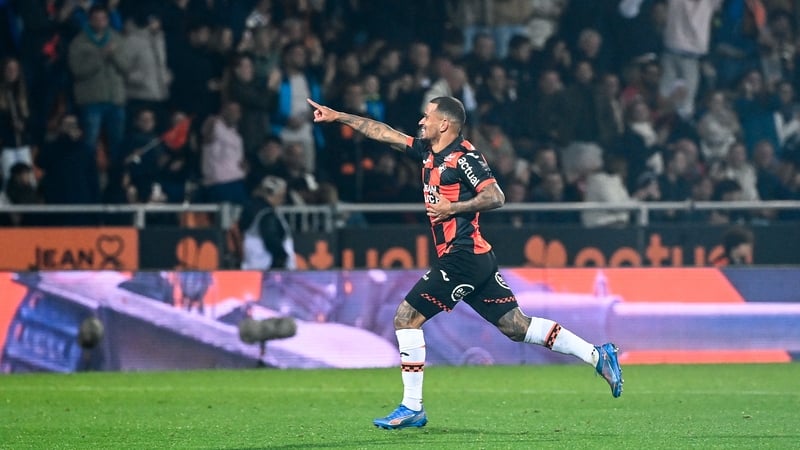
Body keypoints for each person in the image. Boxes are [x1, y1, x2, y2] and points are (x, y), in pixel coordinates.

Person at [307, 96, 623, 430]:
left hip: (463, 256)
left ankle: (411, 407)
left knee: (405, 318)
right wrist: (339, 116)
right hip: (476, 259)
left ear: (444, 123)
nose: (420, 121)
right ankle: (596, 354)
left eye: (426, 116)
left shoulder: (465, 158)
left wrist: (452, 209)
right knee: (517, 327)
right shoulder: (428, 152)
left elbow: (496, 196)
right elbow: (383, 132)